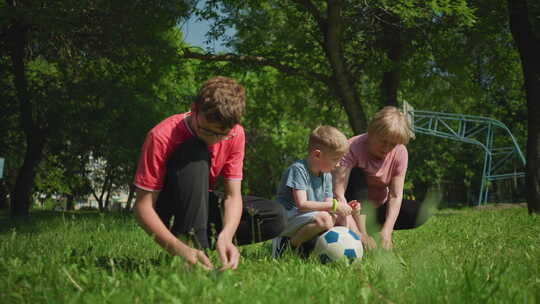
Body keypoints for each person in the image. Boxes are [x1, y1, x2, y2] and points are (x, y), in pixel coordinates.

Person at [133, 76, 286, 270]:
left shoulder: (236, 133)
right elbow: (142, 207)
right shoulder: (162, 136)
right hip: (168, 207)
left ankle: (203, 243)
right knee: (195, 149)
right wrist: (178, 248)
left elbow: (232, 196)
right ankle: (193, 249)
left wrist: (227, 237)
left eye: (222, 134)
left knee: (275, 216)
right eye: (207, 131)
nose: (214, 140)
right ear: (194, 109)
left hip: (202, 200)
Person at [333, 106, 427, 251]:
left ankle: (377, 233)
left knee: (419, 211)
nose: (387, 148)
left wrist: (387, 231)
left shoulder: (400, 152)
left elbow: (396, 195)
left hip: (378, 208)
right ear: (371, 132)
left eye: (393, 144)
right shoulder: (352, 147)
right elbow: (338, 192)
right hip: (353, 208)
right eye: (383, 141)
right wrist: (361, 234)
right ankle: (360, 231)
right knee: (357, 174)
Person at [272, 125, 360, 258]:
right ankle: (286, 247)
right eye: (335, 159)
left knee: (338, 216)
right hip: (287, 219)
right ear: (317, 155)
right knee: (324, 219)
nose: (337, 165)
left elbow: (328, 202)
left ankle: (328, 250)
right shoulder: (299, 170)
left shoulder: (326, 175)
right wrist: (334, 206)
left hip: (306, 218)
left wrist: (345, 209)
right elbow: (302, 204)